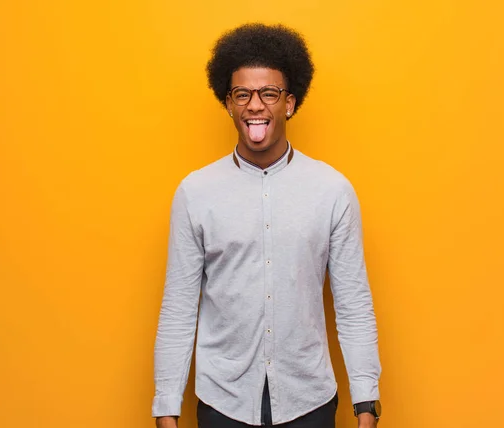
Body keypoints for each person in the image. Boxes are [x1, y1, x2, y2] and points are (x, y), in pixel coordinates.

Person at [152, 23, 382, 428]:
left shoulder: (332, 190)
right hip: (223, 401)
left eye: (268, 94)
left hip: (308, 400)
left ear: (289, 104)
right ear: (229, 103)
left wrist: (367, 401)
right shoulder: (195, 192)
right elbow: (179, 307)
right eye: (242, 94)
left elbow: (353, 304)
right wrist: (166, 406)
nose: (255, 105)